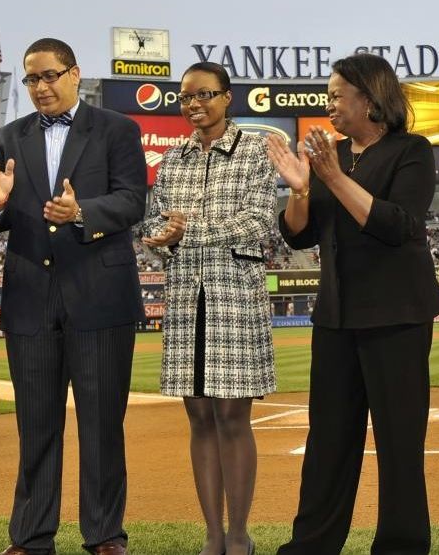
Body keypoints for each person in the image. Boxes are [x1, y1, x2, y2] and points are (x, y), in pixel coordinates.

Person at [266, 52, 439, 555]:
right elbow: (298, 236)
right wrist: (300, 189)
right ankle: (311, 545)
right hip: (338, 316)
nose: (329, 105)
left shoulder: (411, 150)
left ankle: (401, 545)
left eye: (336, 96)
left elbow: (397, 225)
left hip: (397, 317)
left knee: (398, 442)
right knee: (328, 443)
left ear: (368, 98)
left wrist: (334, 176)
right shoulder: (331, 156)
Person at [0, 38, 147, 555]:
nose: (41, 87)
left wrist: (81, 214)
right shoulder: (7, 137)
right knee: (36, 425)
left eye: (49, 75)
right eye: (32, 79)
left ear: (74, 74)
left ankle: (104, 536)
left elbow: (132, 201)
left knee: (101, 426)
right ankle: (30, 536)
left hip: (99, 293)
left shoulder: (118, 129)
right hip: (31, 296)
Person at [142, 61, 277, 555]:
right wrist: (160, 239)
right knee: (198, 418)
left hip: (234, 300)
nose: (193, 104)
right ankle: (212, 535)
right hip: (184, 301)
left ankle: (239, 534)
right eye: (184, 98)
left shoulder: (255, 151)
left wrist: (187, 231)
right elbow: (154, 226)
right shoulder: (173, 159)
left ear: (227, 98)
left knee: (232, 418)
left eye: (204, 94)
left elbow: (260, 224)